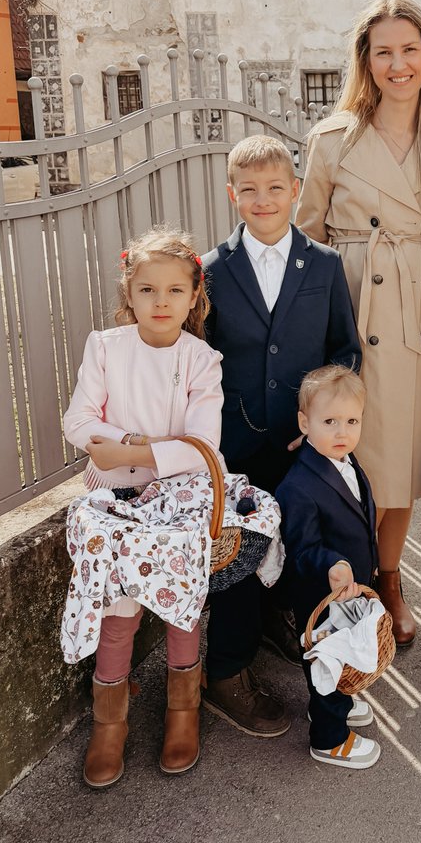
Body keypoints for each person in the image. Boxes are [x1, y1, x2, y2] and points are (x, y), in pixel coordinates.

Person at [61, 226, 283, 788]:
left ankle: (182, 710)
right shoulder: (105, 348)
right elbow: (78, 421)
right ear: (128, 294)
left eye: (174, 292)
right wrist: (115, 444)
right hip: (113, 498)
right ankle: (109, 722)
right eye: (147, 290)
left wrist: (130, 448)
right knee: (121, 610)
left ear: (193, 297)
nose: (161, 303)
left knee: (183, 597)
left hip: (180, 499)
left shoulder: (201, 358)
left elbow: (203, 444)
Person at [296, 0, 421, 646]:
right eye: (383, 51)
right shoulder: (332, 139)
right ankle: (341, 581)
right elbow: (303, 239)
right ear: (365, 59)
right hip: (354, 306)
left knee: (401, 459)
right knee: (350, 453)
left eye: (409, 49)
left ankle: (389, 578)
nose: (397, 63)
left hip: (419, 305)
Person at [201, 135, 360, 738]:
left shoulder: (323, 264)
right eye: (249, 190)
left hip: (303, 444)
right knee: (238, 556)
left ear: (296, 191)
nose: (263, 200)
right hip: (237, 443)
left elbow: (343, 349)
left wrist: (319, 426)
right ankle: (227, 672)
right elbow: (201, 357)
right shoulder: (213, 271)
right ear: (232, 195)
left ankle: (287, 624)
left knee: (297, 541)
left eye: (275, 189)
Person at [276, 366, 380, 769]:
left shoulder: (345, 460)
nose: (343, 431)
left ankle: (333, 704)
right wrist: (333, 565)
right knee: (326, 658)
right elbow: (301, 551)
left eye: (352, 421)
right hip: (321, 592)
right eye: (330, 421)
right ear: (305, 423)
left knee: (338, 661)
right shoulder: (298, 486)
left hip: (347, 588)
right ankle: (329, 737)